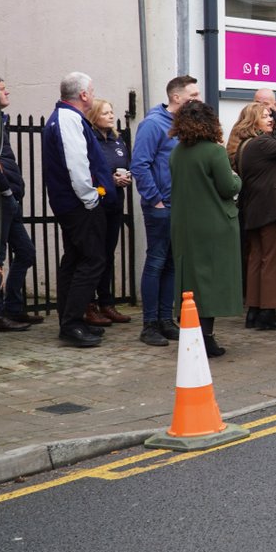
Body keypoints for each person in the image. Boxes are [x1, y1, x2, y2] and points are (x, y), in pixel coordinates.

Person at [43, 72, 116, 347]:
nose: (94, 96)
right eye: (92, 91)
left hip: (72, 202)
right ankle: (72, 323)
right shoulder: (69, 120)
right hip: (79, 204)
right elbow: (77, 164)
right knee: (92, 260)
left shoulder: (63, 119)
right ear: (84, 95)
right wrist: (90, 198)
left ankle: (70, 320)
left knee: (74, 261)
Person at [130, 74, 199, 346]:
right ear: (176, 97)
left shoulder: (184, 126)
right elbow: (140, 165)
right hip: (161, 207)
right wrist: (155, 199)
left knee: (172, 264)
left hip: (180, 207)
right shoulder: (152, 124)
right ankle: (149, 325)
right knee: (157, 262)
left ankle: (165, 320)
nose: (197, 100)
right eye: (193, 95)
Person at [168, 101, 241, 357]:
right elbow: (228, 187)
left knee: (190, 281)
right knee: (210, 283)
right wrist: (237, 178)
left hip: (184, 225)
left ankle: (192, 332)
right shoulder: (214, 151)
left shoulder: (177, 152)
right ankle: (206, 338)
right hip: (214, 224)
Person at [227, 101, 276, 333]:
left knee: (258, 259)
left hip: (256, 208)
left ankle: (255, 311)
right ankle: (268, 312)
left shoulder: (246, 145)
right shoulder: (262, 142)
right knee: (275, 260)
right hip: (272, 208)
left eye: (271, 116)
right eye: (266, 116)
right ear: (252, 121)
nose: (271, 119)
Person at [0, 77, 40, 332]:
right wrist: (7, 190)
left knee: (26, 252)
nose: (8, 91)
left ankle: (13, 308)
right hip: (0, 198)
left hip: (9, 198)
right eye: (1, 89)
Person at [87, 98, 133, 326]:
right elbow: (89, 170)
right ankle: (89, 304)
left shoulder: (117, 139)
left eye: (111, 111)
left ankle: (107, 302)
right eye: (105, 112)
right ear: (94, 115)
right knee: (93, 255)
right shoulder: (90, 139)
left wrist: (126, 177)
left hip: (116, 203)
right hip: (96, 205)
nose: (111, 115)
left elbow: (127, 163)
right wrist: (108, 181)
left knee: (108, 254)